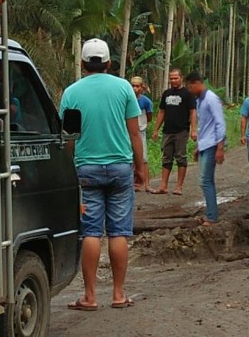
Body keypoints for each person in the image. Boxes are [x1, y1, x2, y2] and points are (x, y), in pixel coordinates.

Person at [60, 38, 143, 310]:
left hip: (87, 170)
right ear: (108, 63)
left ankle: (90, 296)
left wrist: (68, 167)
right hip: (121, 168)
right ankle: (118, 294)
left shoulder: (71, 93)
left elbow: (69, 137)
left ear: (83, 63)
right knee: (119, 232)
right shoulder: (124, 89)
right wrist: (140, 166)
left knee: (91, 232)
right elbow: (134, 132)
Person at [185, 72, 226, 226]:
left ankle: (212, 216)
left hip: (212, 144)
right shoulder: (200, 101)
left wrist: (220, 147)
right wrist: (198, 147)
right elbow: (205, 126)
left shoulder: (211, 99)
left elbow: (219, 123)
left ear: (196, 83)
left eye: (190, 86)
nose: (190, 90)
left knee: (205, 180)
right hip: (206, 144)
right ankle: (211, 213)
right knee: (206, 180)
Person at [151, 69, 197, 195]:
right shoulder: (166, 93)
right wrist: (156, 129)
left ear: (181, 78)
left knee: (181, 158)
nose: (173, 81)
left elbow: (193, 112)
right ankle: (163, 186)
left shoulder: (187, 94)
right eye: (171, 78)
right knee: (166, 158)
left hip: (181, 131)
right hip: (167, 131)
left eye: (176, 78)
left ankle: (179, 187)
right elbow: (161, 112)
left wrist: (193, 130)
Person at [131, 76, 154, 193]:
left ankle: (146, 184)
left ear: (142, 87)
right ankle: (133, 183)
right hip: (127, 132)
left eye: (137, 86)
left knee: (143, 158)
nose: (135, 88)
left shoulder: (145, 101)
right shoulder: (127, 99)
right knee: (129, 159)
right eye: (133, 85)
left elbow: (149, 117)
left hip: (140, 132)